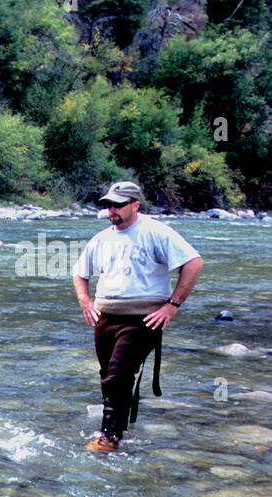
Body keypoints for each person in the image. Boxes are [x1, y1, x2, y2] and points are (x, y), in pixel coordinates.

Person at [73, 180, 203, 452]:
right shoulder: (102, 238)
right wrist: (85, 301)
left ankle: (110, 437)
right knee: (108, 374)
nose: (112, 211)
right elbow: (80, 272)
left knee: (119, 375)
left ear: (135, 205)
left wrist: (172, 305)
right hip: (105, 317)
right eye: (108, 205)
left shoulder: (156, 232)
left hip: (143, 318)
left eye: (118, 205)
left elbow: (194, 263)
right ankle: (118, 428)